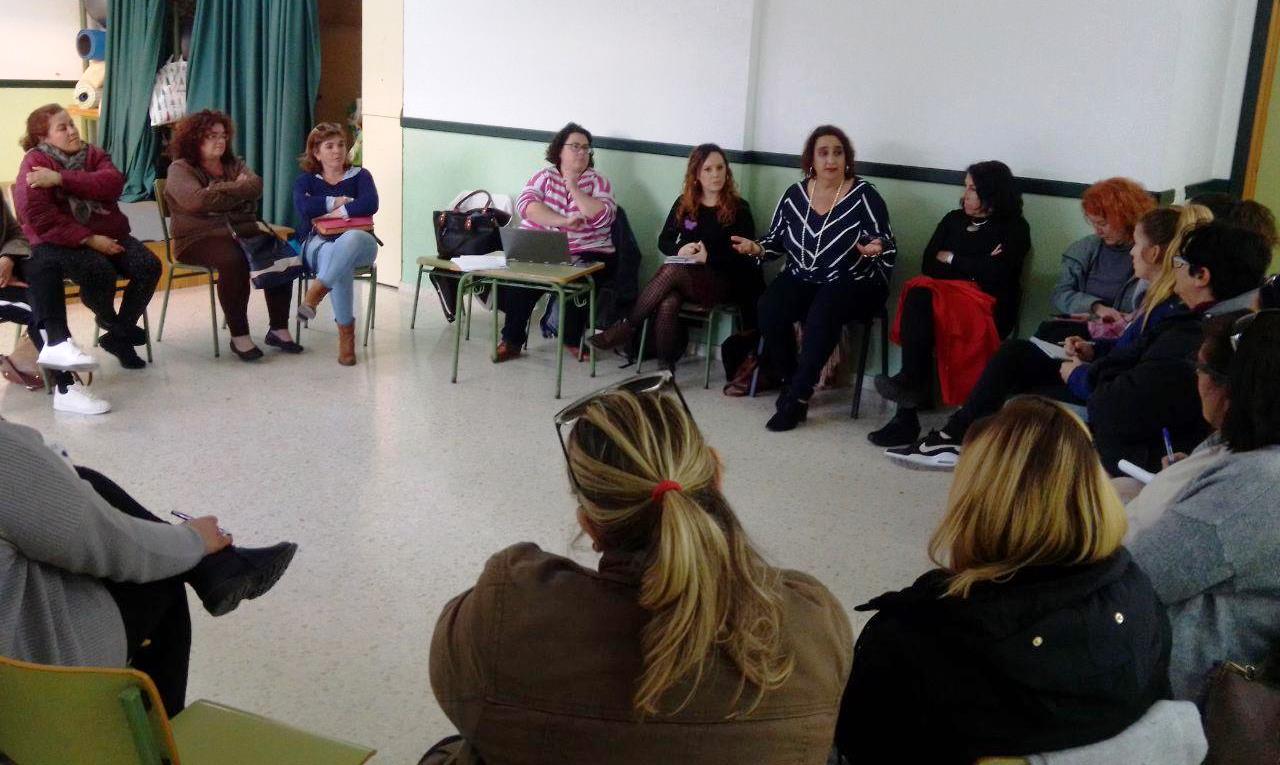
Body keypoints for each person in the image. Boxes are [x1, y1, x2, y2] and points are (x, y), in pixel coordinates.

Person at [429, 373, 853, 764]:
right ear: (716, 479)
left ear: (590, 525)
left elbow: (452, 686)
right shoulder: (812, 624)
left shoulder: (503, 616)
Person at [838, 397, 1170, 764]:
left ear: (977, 503)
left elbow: (858, 746)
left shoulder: (912, 637)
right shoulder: (1140, 599)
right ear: (1094, 489)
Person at [887, 212, 1266, 475]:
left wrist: (1080, 375)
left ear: (1201, 275)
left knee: (1018, 365)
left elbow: (1122, 400)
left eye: (1180, 263)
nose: (1135, 253)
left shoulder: (1192, 329)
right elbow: (1127, 350)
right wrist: (1093, 352)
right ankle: (956, 436)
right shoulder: (1180, 311)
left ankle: (959, 438)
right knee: (1020, 351)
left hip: (1121, 425)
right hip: (1106, 373)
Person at [0, 417, 298, 717]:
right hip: (30, 690)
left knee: (81, 480)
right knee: (160, 578)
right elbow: (114, 545)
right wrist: (194, 539)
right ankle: (159, 744)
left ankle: (212, 569)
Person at [1128, 310, 1280, 703]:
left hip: (1166, 681)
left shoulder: (1254, 487)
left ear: (1230, 388)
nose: (1195, 378)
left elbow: (1130, 580)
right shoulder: (1246, 449)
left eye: (1199, 367)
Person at [729, 125, 896, 432]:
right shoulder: (794, 195)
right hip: (804, 275)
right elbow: (774, 242)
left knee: (825, 308)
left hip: (855, 280)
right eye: (823, 153)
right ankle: (791, 381)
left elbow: (884, 242)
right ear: (811, 160)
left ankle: (799, 397)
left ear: (847, 158)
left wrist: (875, 248)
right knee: (769, 307)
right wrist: (757, 247)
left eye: (838, 152)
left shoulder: (864, 195)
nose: (831, 159)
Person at [869, 161, 1031, 446]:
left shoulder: (1014, 228)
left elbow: (997, 276)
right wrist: (976, 264)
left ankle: (908, 401)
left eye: (973, 189)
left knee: (922, 302)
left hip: (988, 308)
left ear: (992, 192)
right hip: (943, 301)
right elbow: (930, 263)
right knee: (919, 291)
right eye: (965, 187)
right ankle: (909, 398)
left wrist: (953, 258)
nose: (965, 195)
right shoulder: (953, 219)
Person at [14, 104, 161, 376]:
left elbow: (113, 183)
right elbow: (40, 218)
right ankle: (117, 328)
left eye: (71, 123)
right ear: (42, 138)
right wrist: (90, 239)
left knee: (149, 265)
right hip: (58, 242)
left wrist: (60, 178)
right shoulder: (34, 164)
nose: (72, 130)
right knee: (99, 270)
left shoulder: (92, 153)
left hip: (111, 234)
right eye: (62, 127)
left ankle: (118, 336)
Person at [588, 144, 759, 366]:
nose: (716, 174)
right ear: (696, 174)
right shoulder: (685, 203)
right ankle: (665, 370)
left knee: (673, 270)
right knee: (668, 301)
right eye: (708, 169)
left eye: (720, 168)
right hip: (688, 278)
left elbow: (743, 258)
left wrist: (708, 258)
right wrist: (680, 250)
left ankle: (627, 326)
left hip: (723, 282)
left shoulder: (739, 209)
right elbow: (664, 241)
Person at [164, 109, 300, 361]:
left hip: (243, 232)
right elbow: (196, 202)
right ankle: (240, 336)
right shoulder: (180, 168)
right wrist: (236, 188)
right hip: (197, 239)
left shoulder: (233, 163)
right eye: (212, 136)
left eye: (223, 135)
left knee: (282, 253)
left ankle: (278, 329)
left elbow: (255, 186)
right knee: (234, 259)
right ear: (194, 138)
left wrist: (217, 190)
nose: (220, 141)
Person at [494, 122, 617, 362]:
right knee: (521, 283)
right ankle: (511, 341)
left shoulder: (598, 181)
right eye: (575, 146)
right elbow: (527, 206)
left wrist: (573, 186)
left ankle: (571, 339)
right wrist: (564, 221)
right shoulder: (544, 177)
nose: (582, 152)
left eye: (586, 148)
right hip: (543, 247)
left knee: (580, 284)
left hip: (589, 251)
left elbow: (604, 216)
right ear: (559, 150)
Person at [292, 122, 379, 366]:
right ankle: (346, 343)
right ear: (316, 153)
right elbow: (304, 208)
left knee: (348, 240)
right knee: (338, 258)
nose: (337, 151)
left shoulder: (361, 176)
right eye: (329, 146)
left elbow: (370, 204)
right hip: (317, 243)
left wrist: (330, 212)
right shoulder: (305, 181)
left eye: (341, 144)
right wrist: (339, 202)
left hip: (361, 242)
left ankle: (317, 291)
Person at [1040, 177, 1154, 341]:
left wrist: (1124, 319)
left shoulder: (1149, 255)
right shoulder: (1083, 249)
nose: (1097, 231)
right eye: (1093, 224)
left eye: (1102, 224)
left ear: (1127, 218)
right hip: (1084, 330)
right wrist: (1096, 307)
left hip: (1124, 336)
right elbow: (1060, 294)